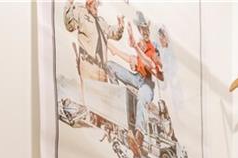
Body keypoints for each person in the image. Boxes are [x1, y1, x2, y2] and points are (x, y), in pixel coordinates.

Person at [106, 11, 163, 141]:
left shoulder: (153, 46)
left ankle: (139, 134)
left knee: (142, 97)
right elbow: (133, 60)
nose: (144, 31)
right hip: (136, 78)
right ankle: (118, 98)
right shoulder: (141, 44)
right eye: (141, 29)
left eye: (145, 28)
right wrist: (115, 51)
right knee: (110, 66)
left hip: (147, 84)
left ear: (148, 29)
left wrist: (135, 49)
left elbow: (149, 63)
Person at [64, 0, 124, 82]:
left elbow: (113, 33)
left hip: (102, 71)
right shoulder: (81, 13)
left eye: (97, 4)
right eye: (95, 3)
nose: (97, 6)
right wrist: (69, 4)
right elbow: (70, 26)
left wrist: (120, 27)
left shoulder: (101, 21)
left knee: (103, 90)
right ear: (89, 3)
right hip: (88, 67)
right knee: (89, 90)